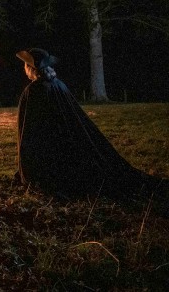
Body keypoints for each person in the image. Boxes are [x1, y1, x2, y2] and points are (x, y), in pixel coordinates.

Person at [16, 48, 167, 205]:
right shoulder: (58, 84)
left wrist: (29, 171)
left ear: (31, 68)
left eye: (25, 65)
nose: (24, 68)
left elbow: (30, 132)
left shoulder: (34, 91)